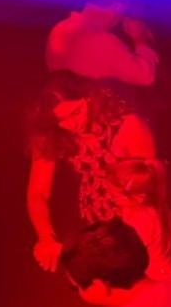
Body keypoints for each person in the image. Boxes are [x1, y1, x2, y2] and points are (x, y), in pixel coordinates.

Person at [26, 71, 157, 272]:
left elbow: (150, 180)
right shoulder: (53, 133)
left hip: (140, 205)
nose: (71, 125)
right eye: (62, 120)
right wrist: (46, 237)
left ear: (90, 98)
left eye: (76, 113)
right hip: (98, 211)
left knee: (152, 269)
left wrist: (127, 215)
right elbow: (38, 193)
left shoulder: (128, 123)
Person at [46, 0, 160, 88]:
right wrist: (140, 38)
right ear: (117, 8)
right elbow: (145, 76)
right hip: (93, 108)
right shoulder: (101, 41)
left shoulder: (59, 29)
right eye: (124, 13)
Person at [105, 157, 171, 280]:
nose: (110, 199)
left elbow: (131, 254)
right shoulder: (135, 207)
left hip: (157, 274)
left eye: (114, 197)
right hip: (151, 267)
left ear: (139, 198)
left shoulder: (144, 221)